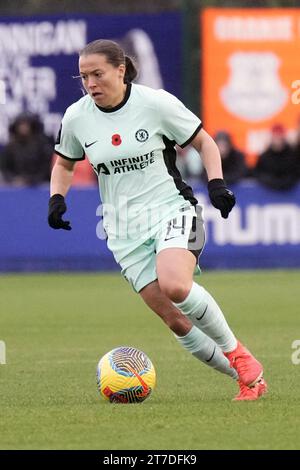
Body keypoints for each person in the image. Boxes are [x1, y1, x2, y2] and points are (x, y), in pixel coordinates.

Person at [48, 39, 267, 401]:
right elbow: (65, 164)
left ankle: (240, 355)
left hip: (172, 210)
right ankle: (247, 378)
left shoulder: (155, 103)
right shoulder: (76, 117)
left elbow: (205, 143)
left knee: (175, 285)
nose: (91, 84)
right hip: (122, 230)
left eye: (98, 74)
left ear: (121, 70)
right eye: (85, 77)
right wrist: (57, 198)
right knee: (176, 320)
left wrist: (216, 184)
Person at [0, 113, 53, 186]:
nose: (23, 127)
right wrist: (14, 179)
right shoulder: (10, 147)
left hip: (39, 185)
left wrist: (31, 180)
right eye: (21, 124)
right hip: (15, 186)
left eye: (26, 124)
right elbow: (5, 169)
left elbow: (46, 167)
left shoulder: (41, 146)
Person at [254, 124, 298, 191]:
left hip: (289, 191)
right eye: (276, 137)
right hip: (268, 193)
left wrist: (285, 182)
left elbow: (295, 173)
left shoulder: (293, 156)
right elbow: (258, 173)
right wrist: (271, 182)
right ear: (272, 138)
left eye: (280, 137)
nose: (278, 141)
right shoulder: (264, 157)